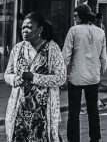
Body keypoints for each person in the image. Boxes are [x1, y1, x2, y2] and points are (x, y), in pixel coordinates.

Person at [4, 12, 66, 142]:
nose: (25, 31)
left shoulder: (52, 48)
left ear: (40, 29)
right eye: (23, 28)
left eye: (30, 27)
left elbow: (61, 78)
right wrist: (14, 79)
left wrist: (34, 77)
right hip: (19, 109)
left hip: (42, 111)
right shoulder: (17, 48)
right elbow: (7, 74)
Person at [62, 4, 107, 142]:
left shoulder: (74, 31)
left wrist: (62, 74)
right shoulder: (100, 32)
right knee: (93, 109)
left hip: (76, 76)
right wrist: (100, 73)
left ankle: (73, 139)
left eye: (76, 16)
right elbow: (104, 57)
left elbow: (66, 55)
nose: (74, 18)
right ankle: (95, 137)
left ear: (81, 16)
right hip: (93, 76)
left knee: (74, 112)